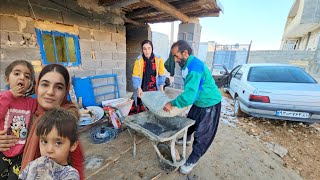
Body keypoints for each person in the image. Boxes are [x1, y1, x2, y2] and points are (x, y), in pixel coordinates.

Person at [0, 64, 84, 179]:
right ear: (37, 87)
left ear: (66, 91)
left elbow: (77, 164)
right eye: (45, 84)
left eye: (59, 87)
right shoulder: (26, 110)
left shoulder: (65, 122)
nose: (50, 92)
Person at [163, 40, 222, 175]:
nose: (175, 59)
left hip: (210, 103)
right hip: (199, 100)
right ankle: (186, 139)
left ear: (185, 53)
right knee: (190, 123)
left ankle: (192, 160)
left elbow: (189, 96)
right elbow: (192, 91)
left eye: (176, 56)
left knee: (203, 135)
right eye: (173, 56)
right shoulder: (186, 64)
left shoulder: (195, 68)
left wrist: (172, 103)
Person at [0, 60, 37, 179]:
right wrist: (8, 95)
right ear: (7, 79)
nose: (22, 78)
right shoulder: (3, 98)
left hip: (20, 154)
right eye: (16, 74)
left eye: (27, 76)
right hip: (2, 150)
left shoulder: (31, 103)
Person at [20, 108, 80, 180]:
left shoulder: (70, 174)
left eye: (58, 143)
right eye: (44, 142)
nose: (49, 150)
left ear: (73, 145)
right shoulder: (33, 164)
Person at [129, 40, 166, 115]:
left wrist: (161, 88)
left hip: (154, 89)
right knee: (142, 110)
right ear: (142, 50)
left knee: (154, 109)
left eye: (149, 48)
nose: (147, 51)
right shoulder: (139, 60)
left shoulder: (158, 59)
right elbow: (135, 76)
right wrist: (138, 88)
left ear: (152, 48)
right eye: (144, 49)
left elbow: (161, 74)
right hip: (143, 89)